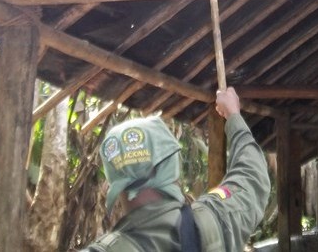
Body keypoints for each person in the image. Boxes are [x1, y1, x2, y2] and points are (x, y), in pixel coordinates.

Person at [81, 86, 270, 252]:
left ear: (114, 181)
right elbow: (252, 175)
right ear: (170, 168)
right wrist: (233, 115)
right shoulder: (216, 218)